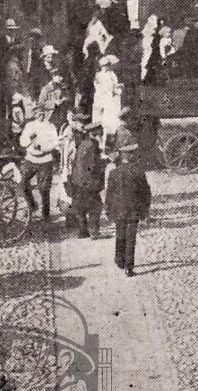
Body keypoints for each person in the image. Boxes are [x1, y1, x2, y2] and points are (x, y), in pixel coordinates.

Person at [105, 137, 152, 278]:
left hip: (118, 210)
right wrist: (145, 210)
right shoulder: (138, 172)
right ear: (131, 156)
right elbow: (146, 193)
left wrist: (108, 210)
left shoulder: (114, 173)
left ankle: (119, 259)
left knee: (120, 235)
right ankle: (129, 267)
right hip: (134, 210)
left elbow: (109, 194)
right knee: (131, 238)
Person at [62, 111, 106, 239]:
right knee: (96, 206)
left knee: (80, 207)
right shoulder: (92, 145)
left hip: (77, 181)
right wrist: (104, 163)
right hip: (88, 181)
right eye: (100, 134)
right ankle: (94, 232)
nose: (101, 136)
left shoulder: (84, 143)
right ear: (95, 134)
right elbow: (93, 166)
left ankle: (82, 232)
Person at [18, 105, 60, 221]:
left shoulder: (50, 126)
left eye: (42, 113)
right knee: (23, 183)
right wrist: (29, 140)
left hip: (45, 160)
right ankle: (32, 206)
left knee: (44, 188)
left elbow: (55, 143)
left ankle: (45, 215)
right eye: (38, 113)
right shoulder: (30, 126)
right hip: (31, 159)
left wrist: (43, 147)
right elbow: (22, 141)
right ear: (35, 114)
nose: (41, 115)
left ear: (45, 114)